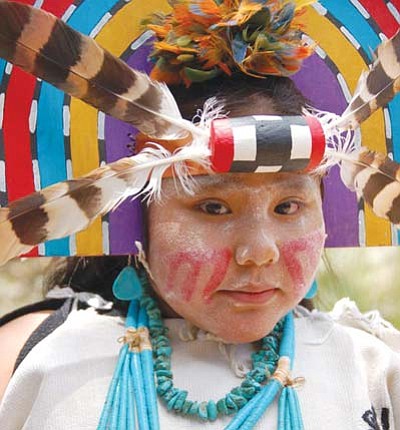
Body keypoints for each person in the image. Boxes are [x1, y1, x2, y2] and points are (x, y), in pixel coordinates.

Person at [0, 1, 399, 429]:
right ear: (133, 213)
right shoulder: (35, 356)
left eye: (288, 206)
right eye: (212, 207)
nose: (258, 251)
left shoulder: (374, 367)